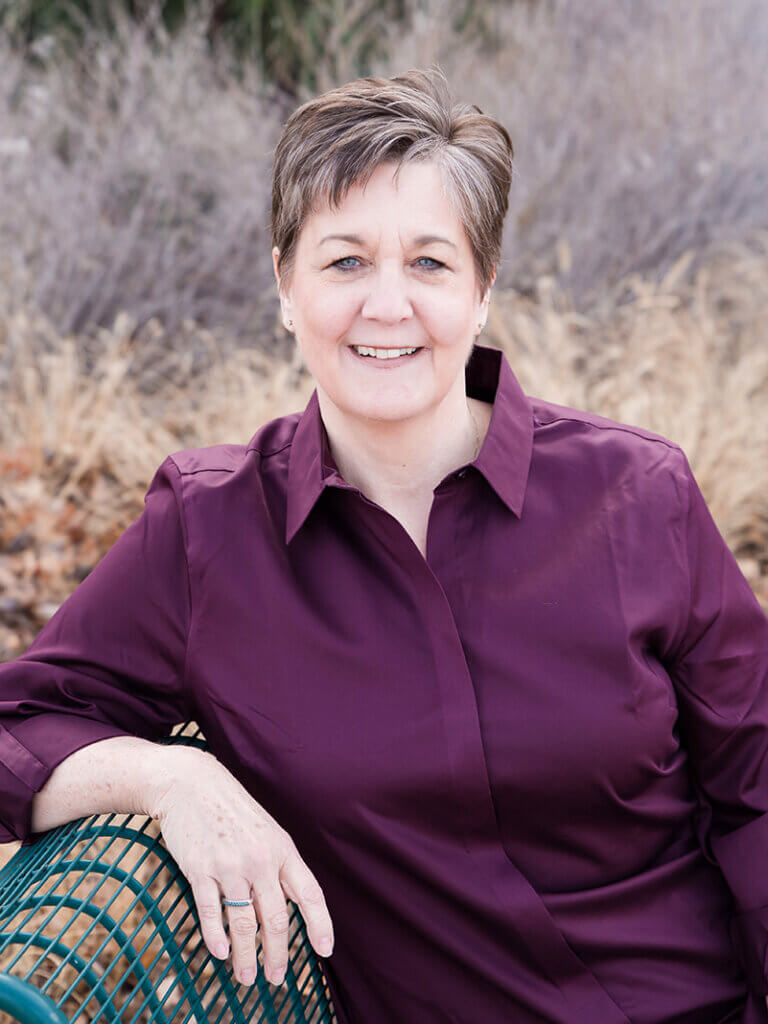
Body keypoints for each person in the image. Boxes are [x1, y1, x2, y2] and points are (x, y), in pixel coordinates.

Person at [1, 65, 767, 1024]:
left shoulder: (637, 496)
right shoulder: (209, 533)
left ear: (483, 289)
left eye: (431, 263)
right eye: (345, 261)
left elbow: (757, 785)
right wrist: (166, 774)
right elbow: (17, 723)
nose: (388, 304)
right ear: (284, 287)